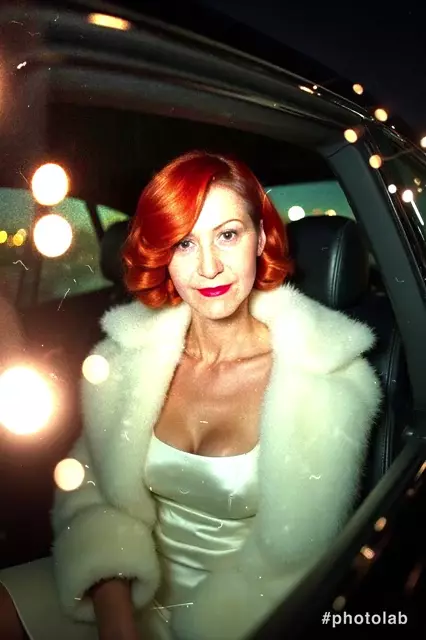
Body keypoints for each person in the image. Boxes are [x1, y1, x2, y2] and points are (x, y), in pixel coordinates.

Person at [0, 150, 382, 640]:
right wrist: (118, 622)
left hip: (241, 618)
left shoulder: (330, 382)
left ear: (261, 238)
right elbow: (91, 493)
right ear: (163, 255)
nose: (208, 267)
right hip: (121, 588)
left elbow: (295, 570)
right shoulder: (126, 359)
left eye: (228, 235)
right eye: (184, 243)